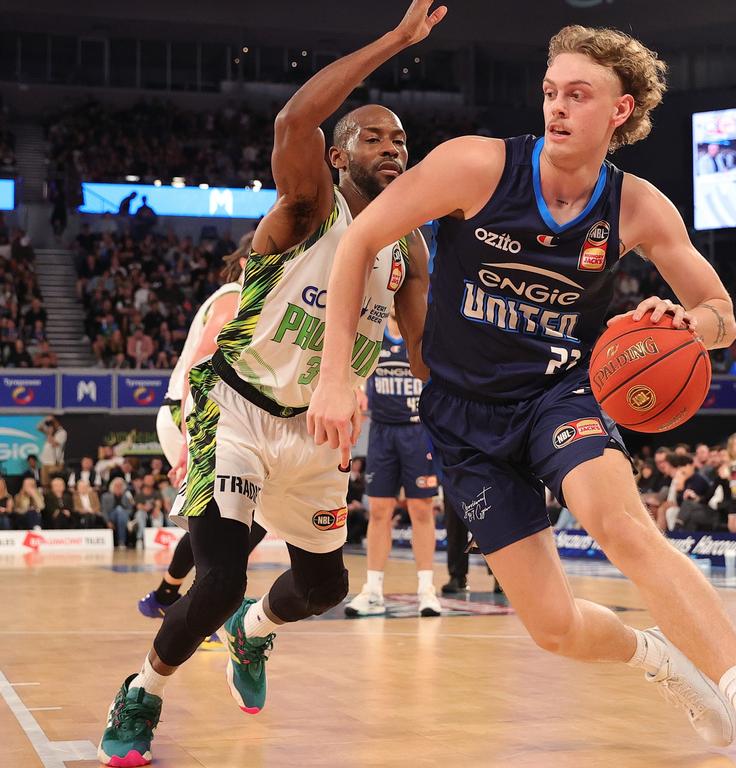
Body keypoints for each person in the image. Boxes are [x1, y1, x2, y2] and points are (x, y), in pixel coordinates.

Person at [311, 22, 736, 768]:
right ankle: (658, 659)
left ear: (619, 111)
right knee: (552, 627)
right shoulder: (476, 166)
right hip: (461, 417)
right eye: (551, 91)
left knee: (624, 528)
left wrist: (690, 322)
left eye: (578, 95)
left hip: (556, 393)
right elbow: (361, 240)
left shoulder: (636, 207)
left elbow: (721, 316)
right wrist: (337, 375)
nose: (557, 107)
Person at [97, 4, 444, 765]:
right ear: (338, 154)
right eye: (373, 136)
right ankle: (142, 692)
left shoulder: (408, 245)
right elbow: (294, 117)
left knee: (325, 589)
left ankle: (251, 637)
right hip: (236, 413)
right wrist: (393, 42)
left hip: (319, 434)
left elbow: (423, 354)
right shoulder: (308, 206)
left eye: (402, 141)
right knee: (217, 578)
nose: (392, 147)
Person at [139, 234, 266, 643]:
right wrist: (195, 437)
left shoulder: (252, 301)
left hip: (205, 414)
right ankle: (198, 606)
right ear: (248, 262)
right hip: (189, 412)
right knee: (232, 518)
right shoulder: (234, 296)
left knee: (242, 516)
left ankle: (168, 595)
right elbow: (200, 365)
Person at [345, 311, 442, 617]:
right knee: (379, 512)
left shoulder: (425, 330)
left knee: (421, 510)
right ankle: (373, 590)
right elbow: (353, 375)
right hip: (382, 431)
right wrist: (356, 391)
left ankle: (427, 590)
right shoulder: (372, 331)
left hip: (417, 431)